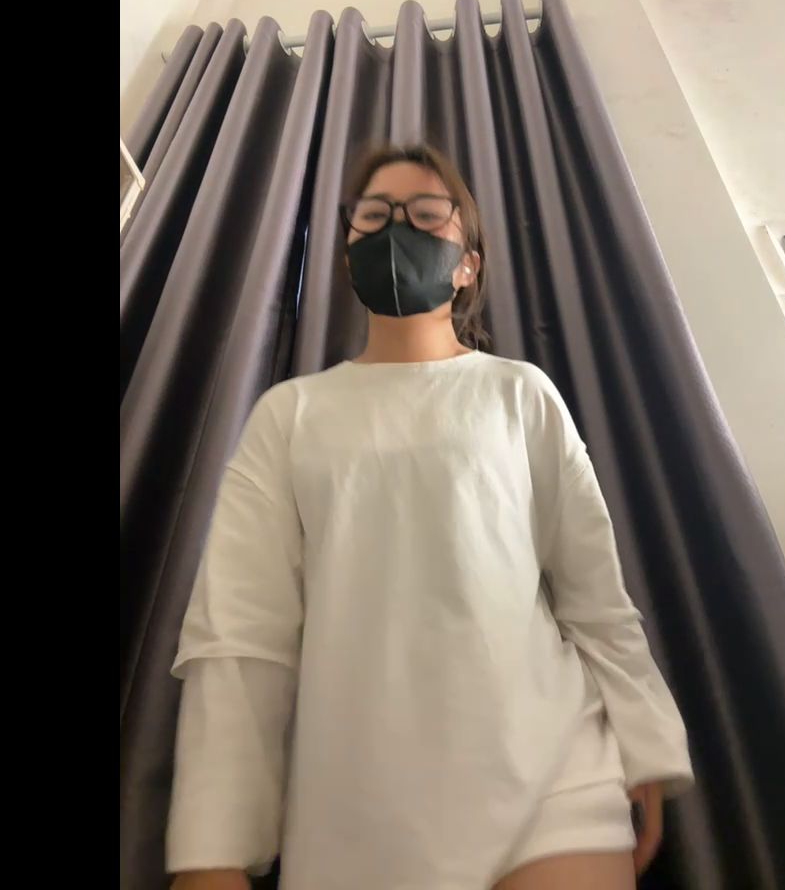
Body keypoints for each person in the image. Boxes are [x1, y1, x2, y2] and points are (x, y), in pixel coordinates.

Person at [167, 144, 693, 890]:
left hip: (555, 778)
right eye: (374, 216)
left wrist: (646, 747)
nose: (396, 230)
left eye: (424, 214)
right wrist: (212, 850)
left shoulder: (521, 394)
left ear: (468, 263)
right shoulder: (289, 416)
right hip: (358, 806)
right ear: (347, 251)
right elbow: (242, 633)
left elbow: (593, 595)